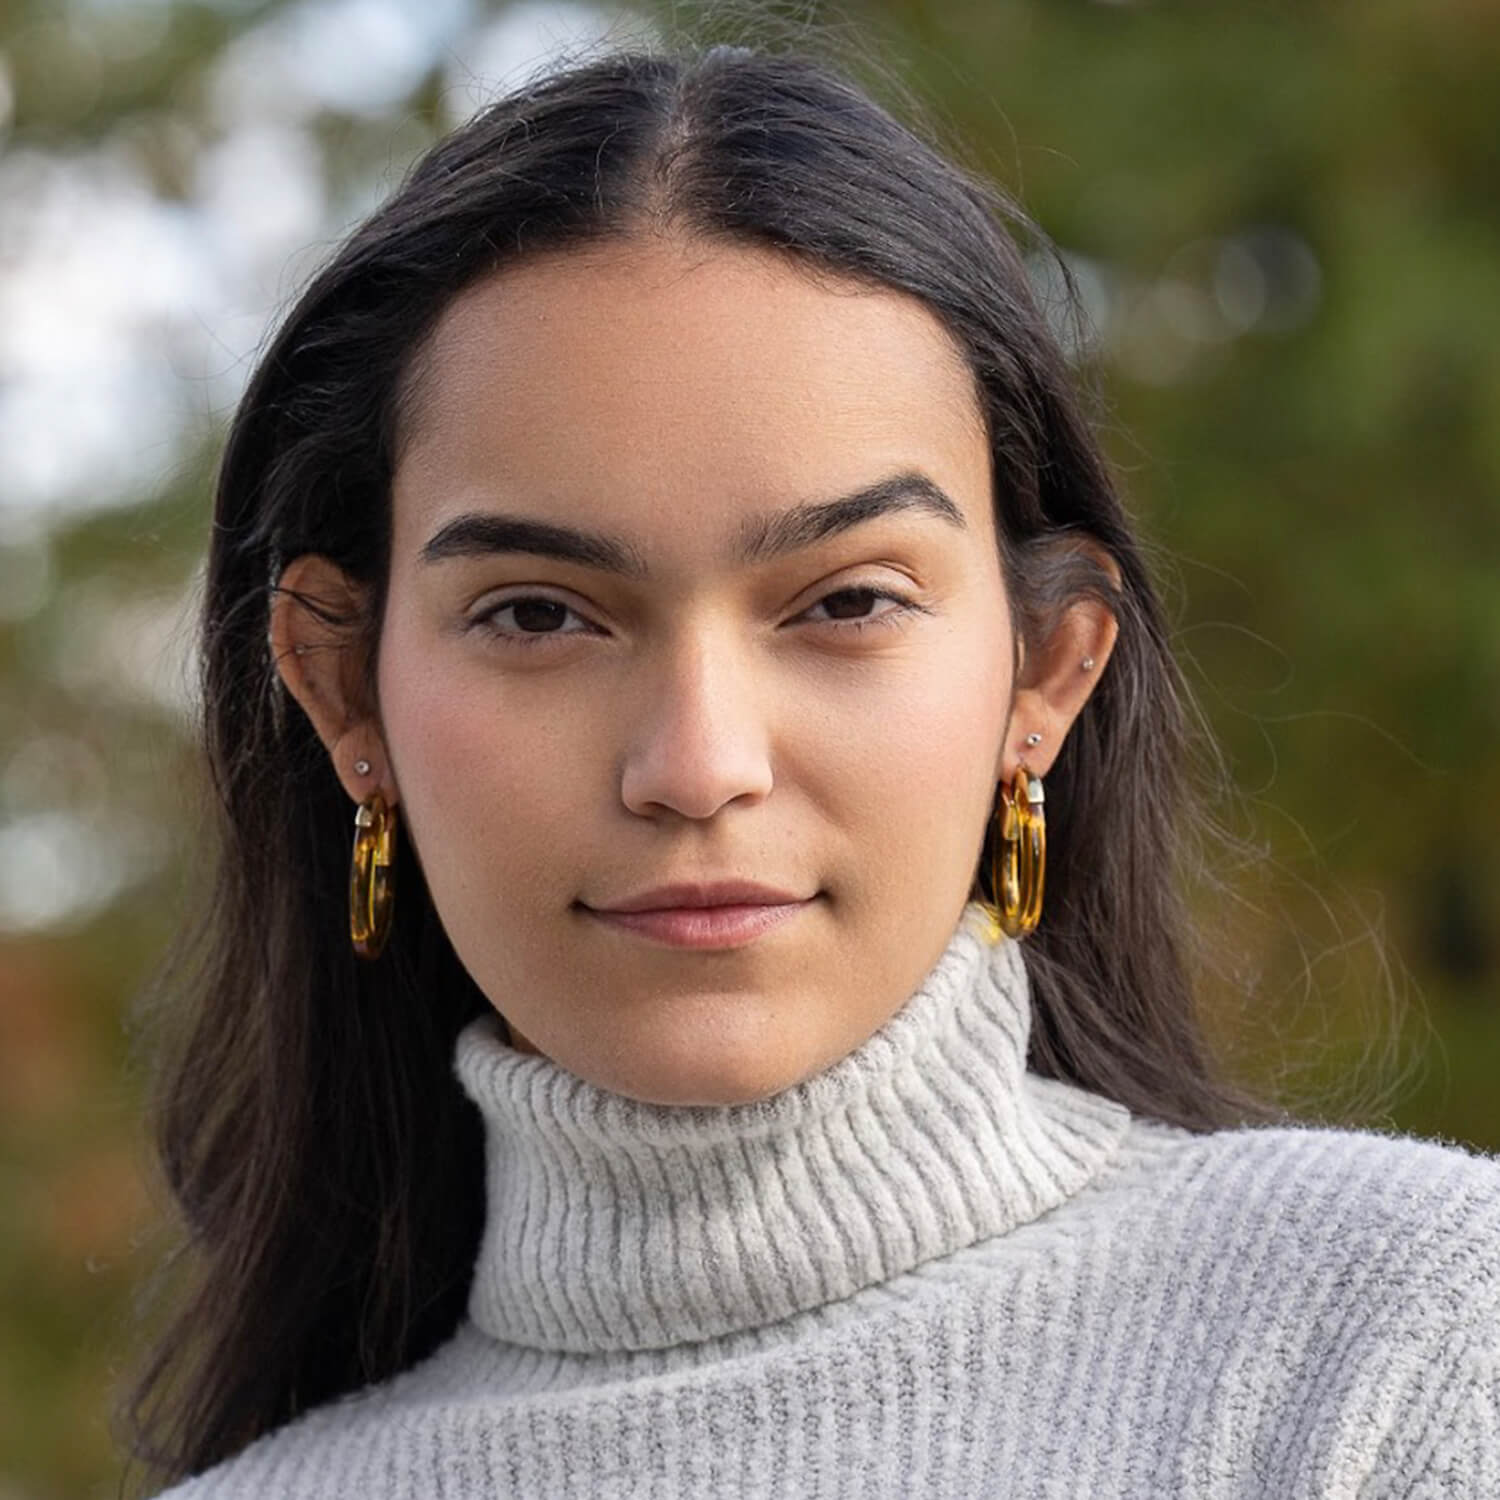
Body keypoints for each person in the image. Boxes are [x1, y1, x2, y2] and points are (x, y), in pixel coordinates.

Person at [121, 33, 1499, 1500]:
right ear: (348, 695)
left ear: (1045, 673)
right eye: (538, 613)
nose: (699, 765)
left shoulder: (1402, 1350)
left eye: (846, 603)